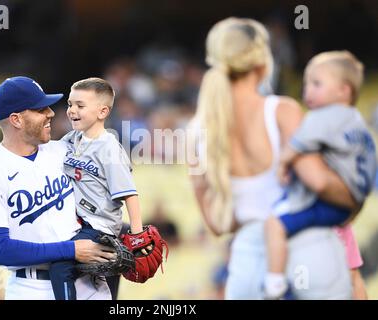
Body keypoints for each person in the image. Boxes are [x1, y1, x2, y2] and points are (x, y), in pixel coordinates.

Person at [189, 17, 357, 299]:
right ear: (262, 63)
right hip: (303, 255)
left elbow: (219, 226)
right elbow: (318, 182)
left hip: (244, 269)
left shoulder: (196, 132)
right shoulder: (282, 111)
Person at [0, 76, 116, 300]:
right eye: (40, 109)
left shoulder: (65, 151)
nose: (51, 113)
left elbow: (96, 206)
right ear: (16, 119)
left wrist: (124, 232)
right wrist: (72, 250)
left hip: (90, 280)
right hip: (32, 287)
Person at [264, 51, 376, 299]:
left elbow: (300, 144)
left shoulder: (321, 119)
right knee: (351, 276)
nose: (308, 92)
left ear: (343, 91)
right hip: (346, 211)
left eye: (317, 84)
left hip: (321, 210)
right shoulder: (359, 124)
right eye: (306, 84)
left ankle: (274, 285)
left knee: (275, 224)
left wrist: (283, 163)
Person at [48, 77, 149, 300]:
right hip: (74, 222)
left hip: (98, 225)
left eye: (80, 106)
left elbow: (129, 195)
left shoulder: (109, 148)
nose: (72, 110)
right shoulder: (70, 140)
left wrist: (138, 233)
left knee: (60, 267)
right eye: (70, 104)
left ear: (102, 112)